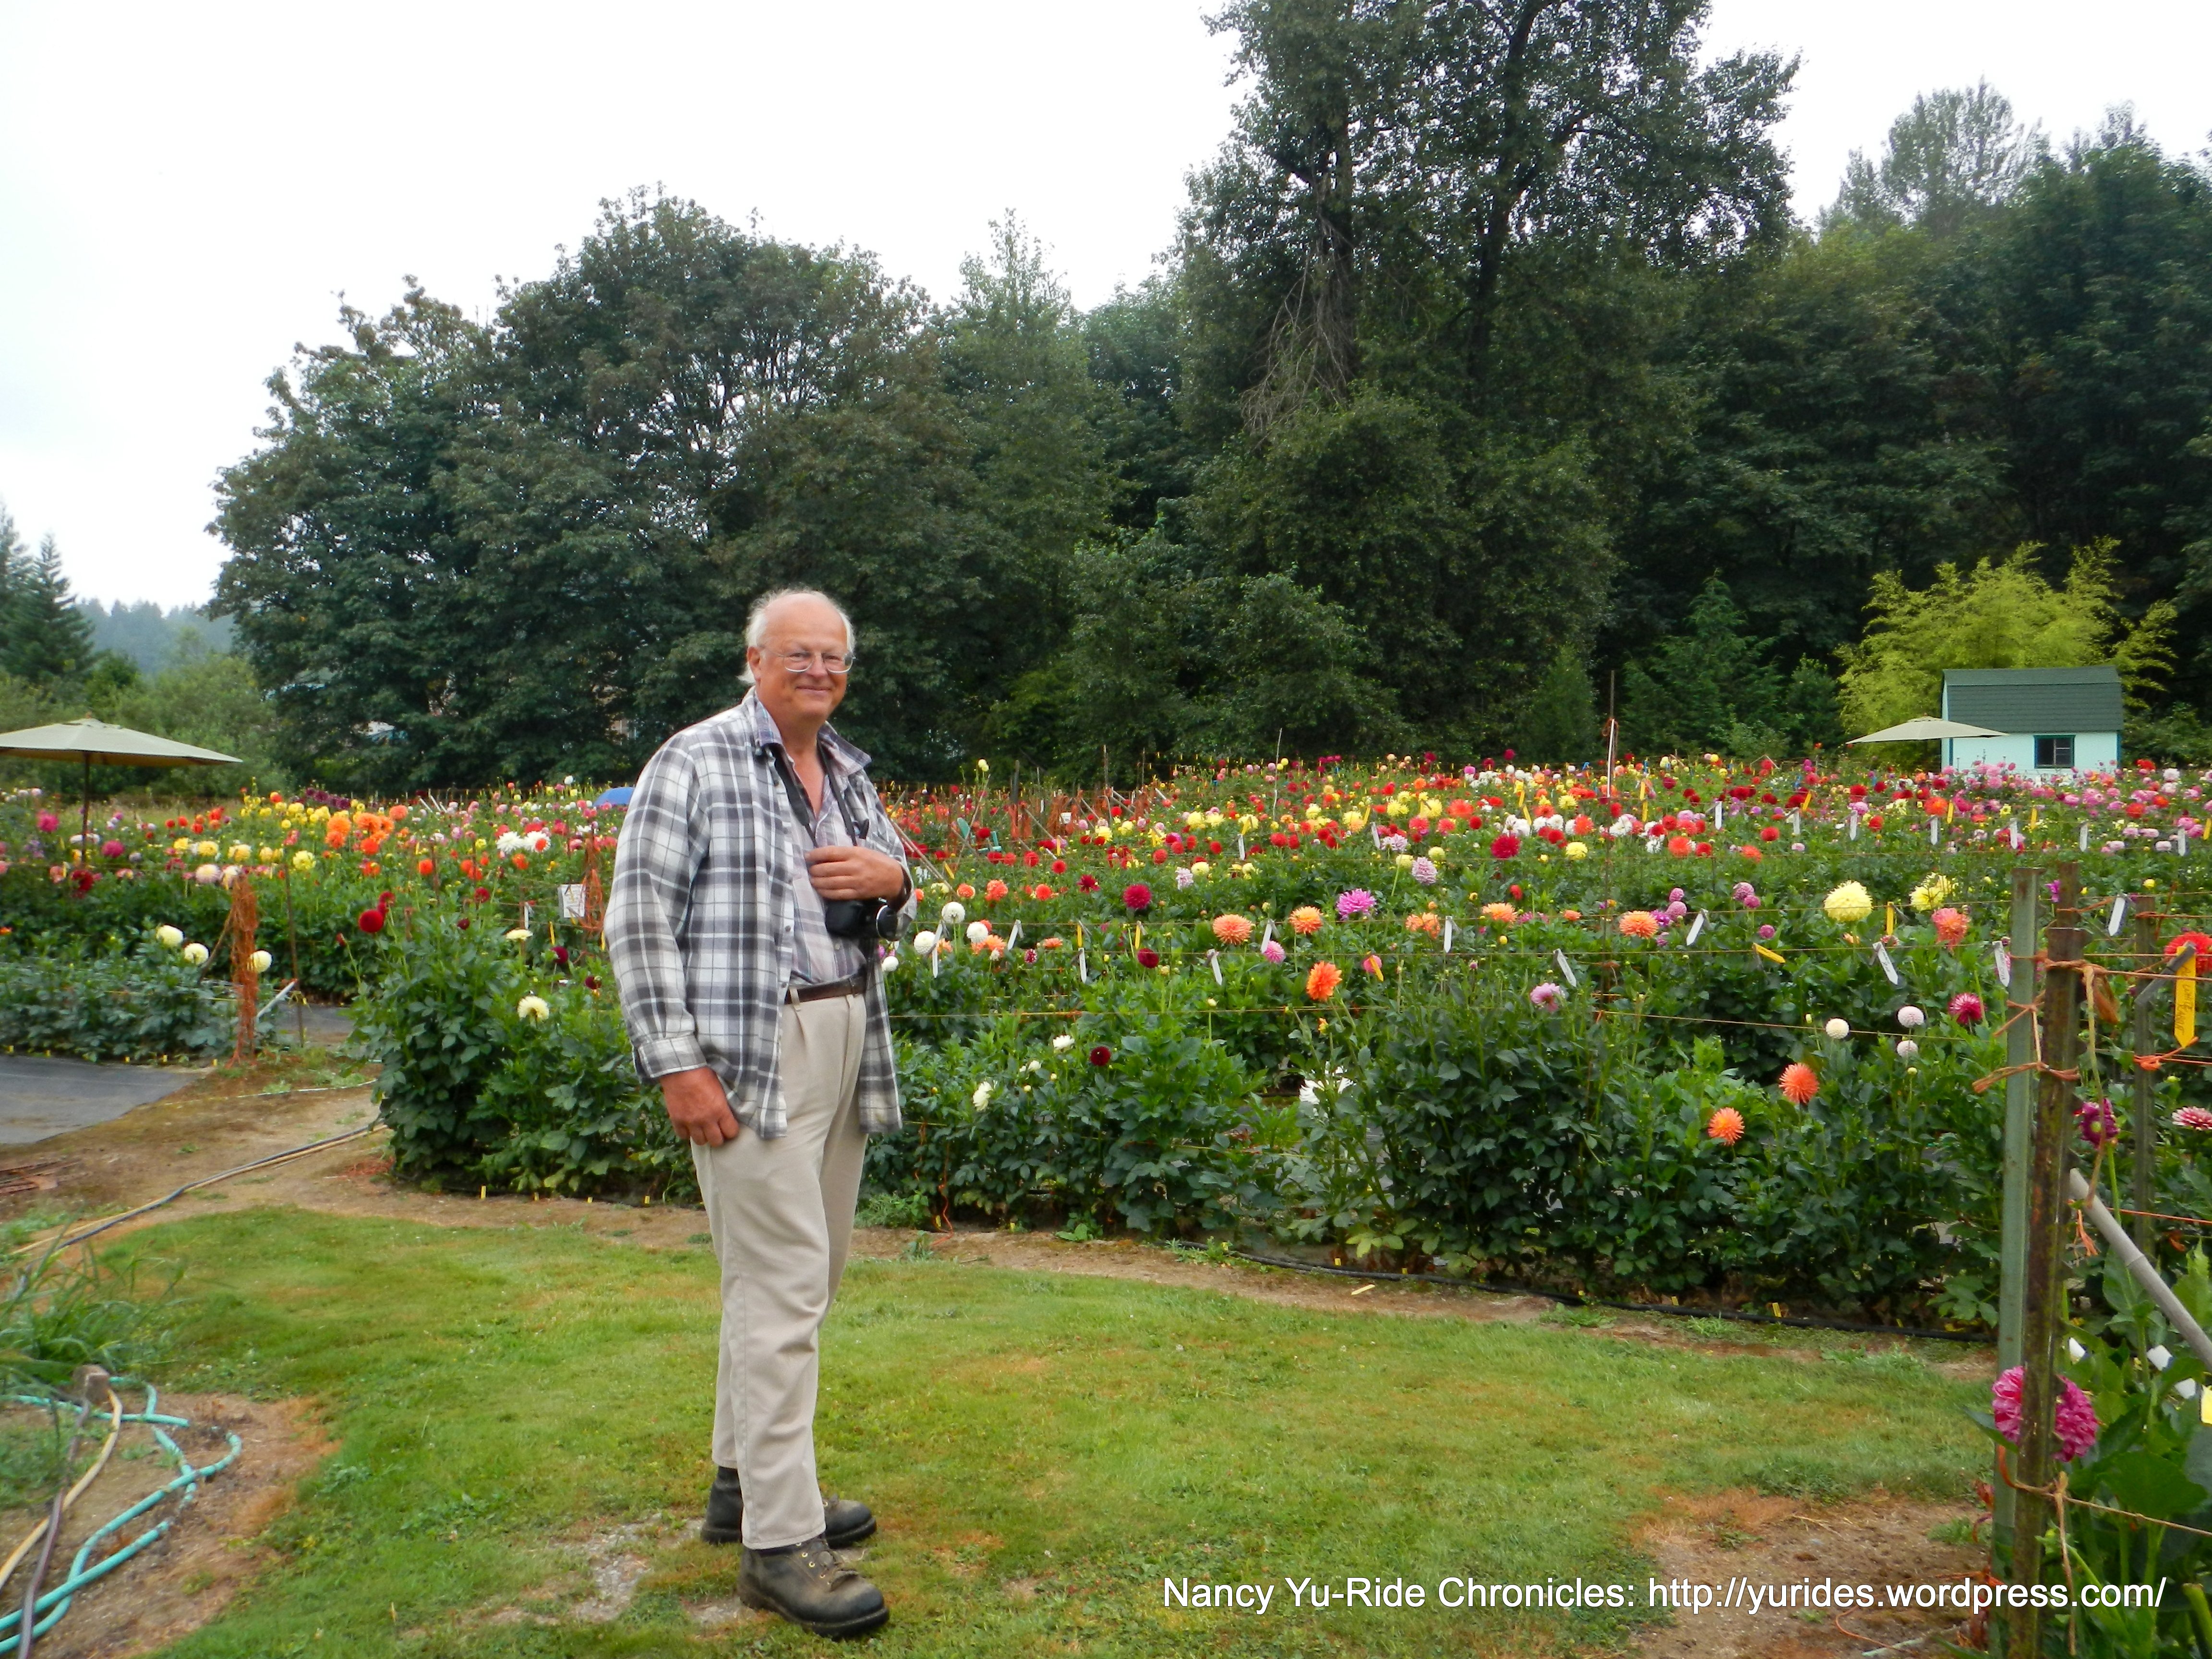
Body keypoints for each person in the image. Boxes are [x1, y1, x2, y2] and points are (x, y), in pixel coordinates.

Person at [605, 588, 913, 1638]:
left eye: (834, 656)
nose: (819, 670)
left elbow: (896, 884)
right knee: (784, 1285)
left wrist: (896, 878)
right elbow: (635, 921)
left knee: (798, 1276)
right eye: (799, 654)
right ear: (754, 659)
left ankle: (744, 1482)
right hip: (747, 1051)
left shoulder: (851, 775)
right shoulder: (690, 762)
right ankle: (780, 1547)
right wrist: (674, 1064)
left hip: (844, 1036)